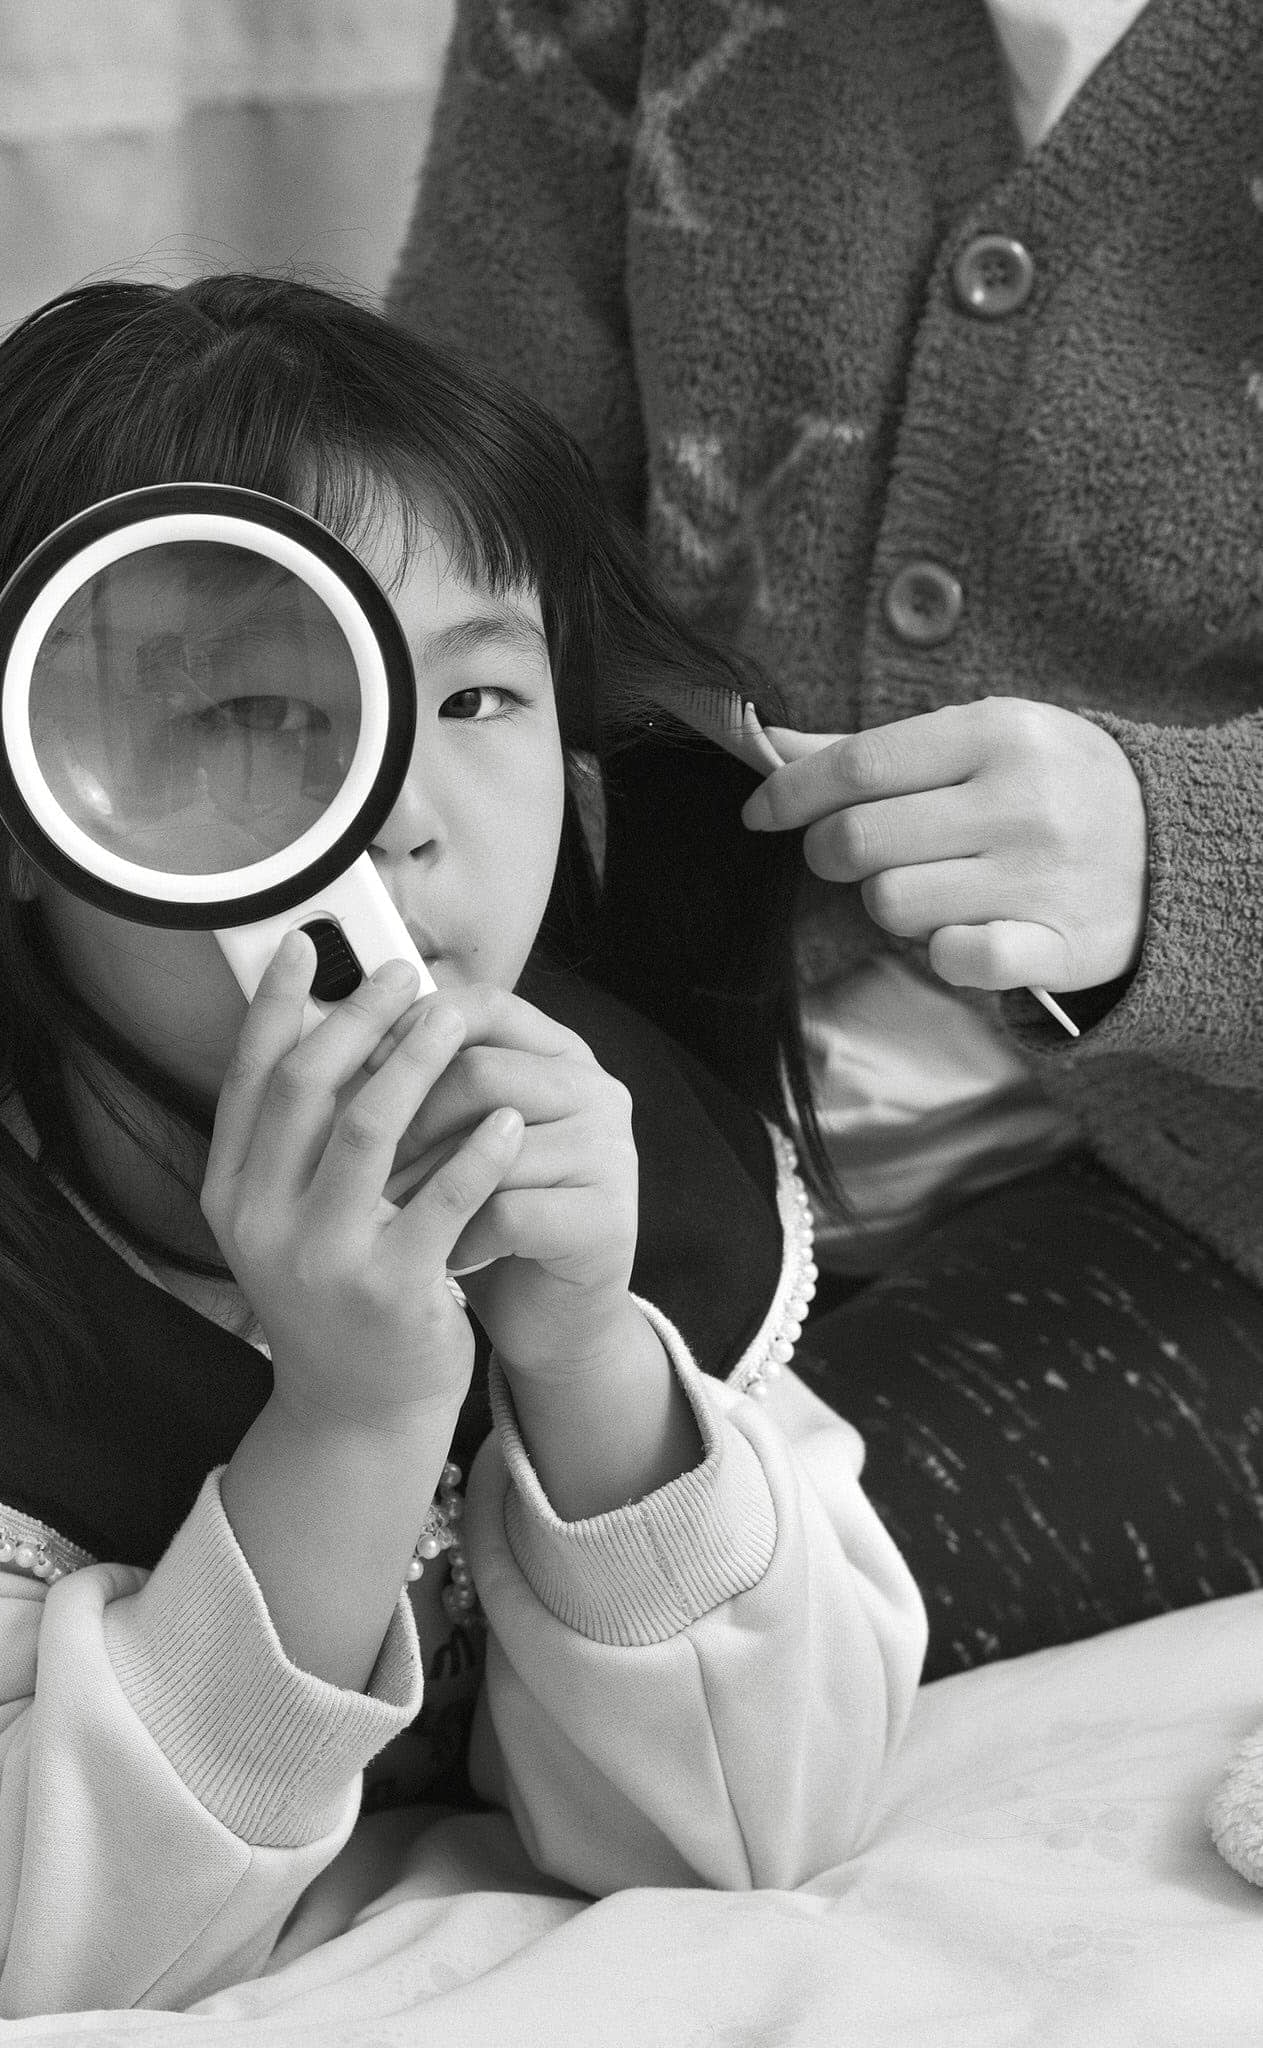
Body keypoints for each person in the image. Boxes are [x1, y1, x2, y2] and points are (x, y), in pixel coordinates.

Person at [0, 274, 923, 2016]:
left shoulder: (619, 1141)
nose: (396, 814)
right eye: (255, 715)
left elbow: (759, 1825)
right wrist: (350, 1423)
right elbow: (17, 1938)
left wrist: (585, 1356)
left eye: (475, 703)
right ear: (19, 808)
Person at [390, 0, 1263, 1679]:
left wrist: (1186, 858)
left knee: (621, 1637)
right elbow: (452, 517)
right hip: (660, 1094)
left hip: (1211, 1210)